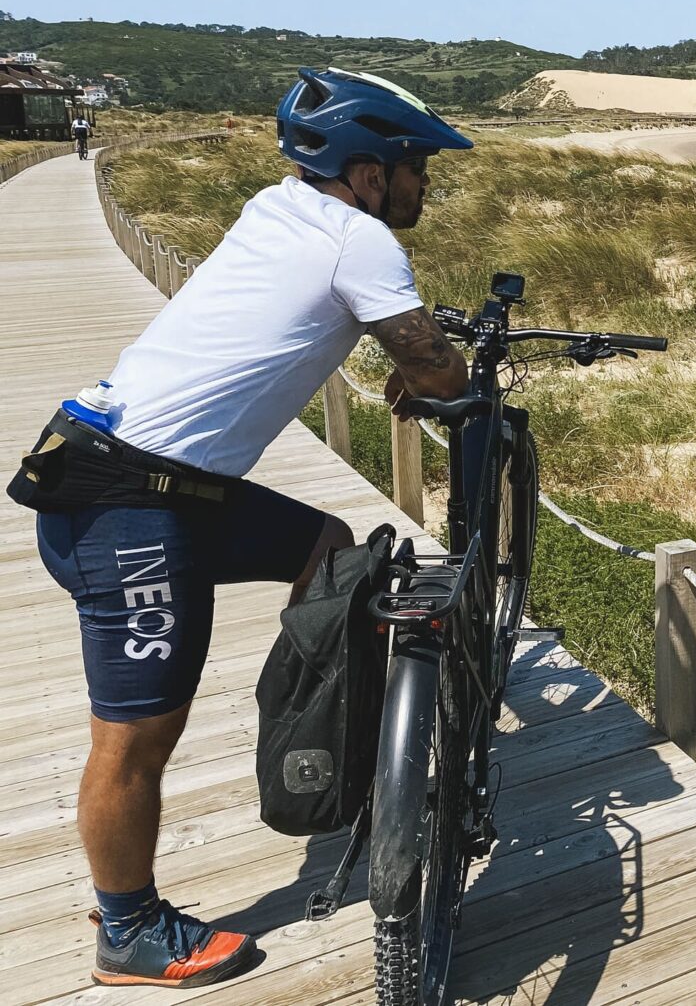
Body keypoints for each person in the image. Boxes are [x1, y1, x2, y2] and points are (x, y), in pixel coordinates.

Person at [6, 68, 471, 989]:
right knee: (134, 739)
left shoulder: (280, 207)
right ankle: (128, 931)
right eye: (417, 166)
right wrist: (437, 375)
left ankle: (317, 732)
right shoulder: (361, 238)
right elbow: (434, 366)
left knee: (327, 548)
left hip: (143, 479)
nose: (426, 185)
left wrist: (415, 363)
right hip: (127, 504)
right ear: (370, 172)